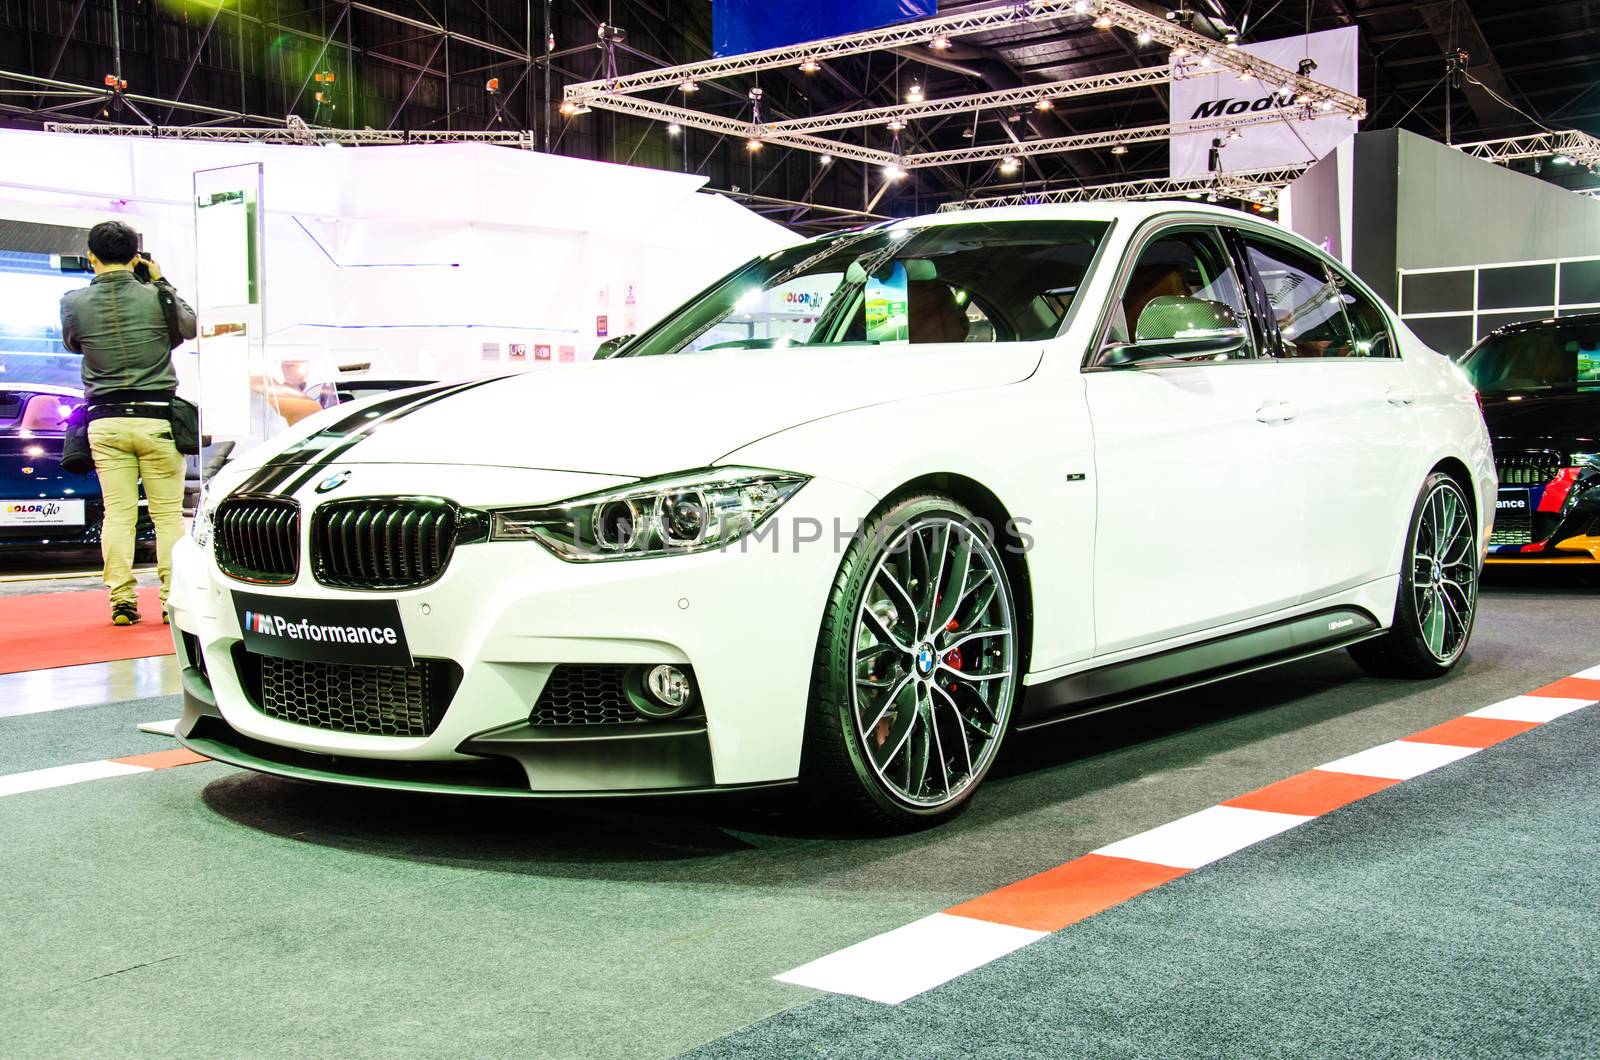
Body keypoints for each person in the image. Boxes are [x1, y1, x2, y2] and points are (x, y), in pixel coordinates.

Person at [60, 220, 197, 626]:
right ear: (136, 256)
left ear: (91, 257)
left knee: (119, 515)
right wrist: (162, 281)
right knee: (168, 516)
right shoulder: (157, 296)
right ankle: (172, 599)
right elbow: (189, 327)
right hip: (157, 419)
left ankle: (121, 599)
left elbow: (72, 343)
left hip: (105, 422)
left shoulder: (74, 302)